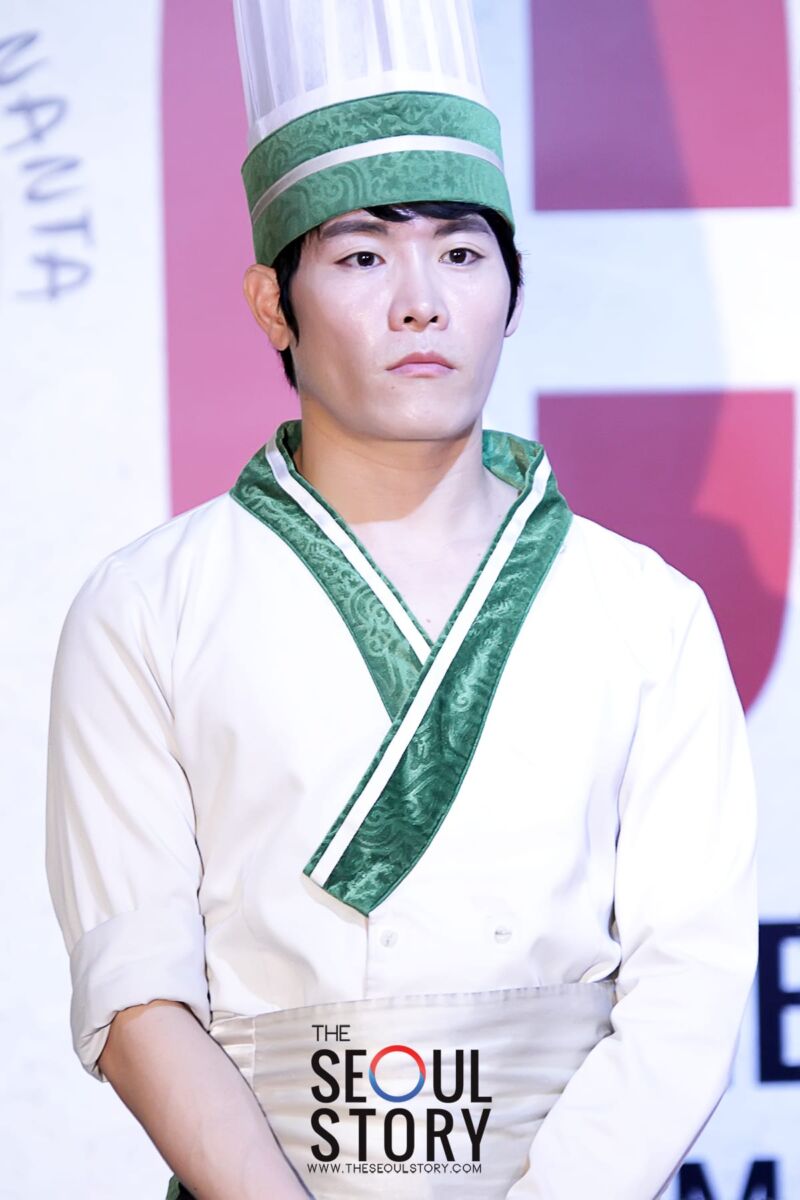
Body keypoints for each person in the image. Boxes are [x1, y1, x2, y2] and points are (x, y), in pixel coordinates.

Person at [45, 3, 758, 1198]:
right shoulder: (145, 607)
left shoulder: (645, 613)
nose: (420, 302)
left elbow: (685, 986)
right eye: (362, 256)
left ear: (513, 290)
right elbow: (136, 988)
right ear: (272, 302)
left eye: (461, 253)